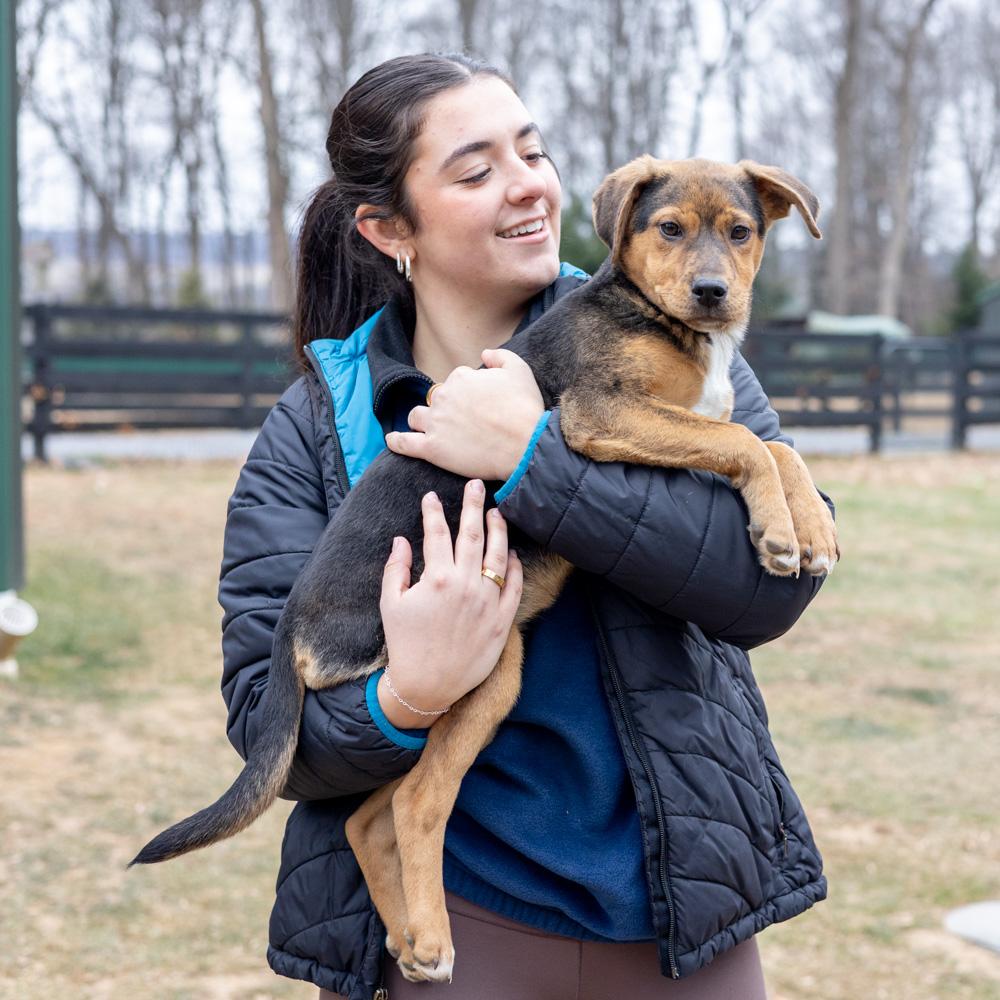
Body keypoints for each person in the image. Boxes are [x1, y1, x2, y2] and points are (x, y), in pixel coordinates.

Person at [218, 52, 830, 1000]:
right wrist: (408, 694)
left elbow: (766, 592)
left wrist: (533, 461)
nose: (526, 187)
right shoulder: (310, 431)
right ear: (387, 228)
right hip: (469, 920)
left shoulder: (684, 349)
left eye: (532, 151)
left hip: (680, 906)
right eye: (475, 170)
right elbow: (275, 717)